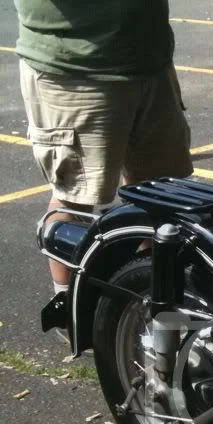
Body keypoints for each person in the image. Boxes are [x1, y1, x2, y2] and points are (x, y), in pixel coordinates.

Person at [15, 0, 193, 295]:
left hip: (151, 59)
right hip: (74, 68)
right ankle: (69, 312)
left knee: (160, 197)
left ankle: (146, 303)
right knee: (75, 200)